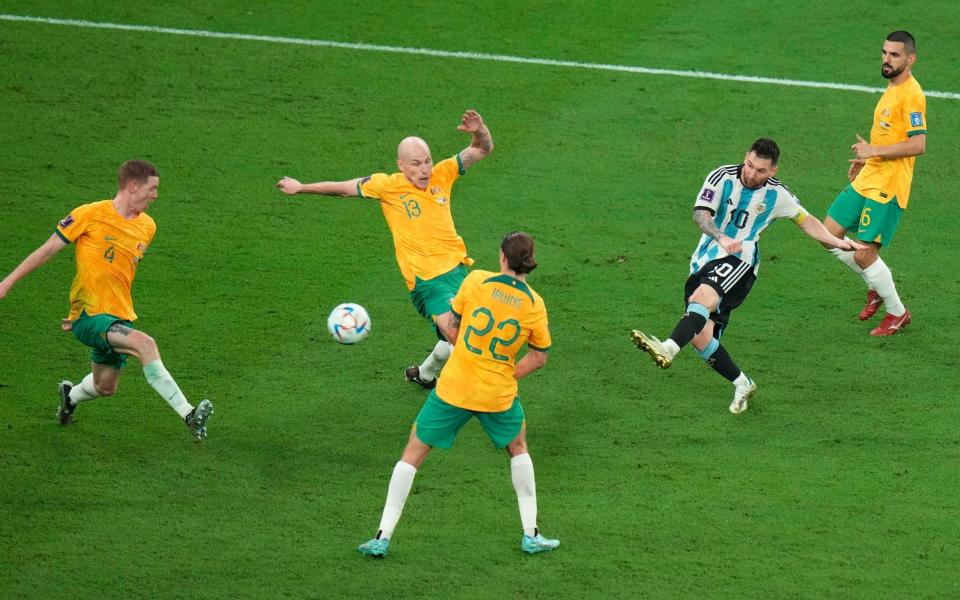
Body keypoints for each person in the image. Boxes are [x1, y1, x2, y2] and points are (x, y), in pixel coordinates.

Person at [356, 232, 559, 558]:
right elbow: (539, 356)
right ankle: (531, 534)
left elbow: (452, 325)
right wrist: (507, 372)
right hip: (497, 393)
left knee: (412, 454)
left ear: (502, 258)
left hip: (455, 385)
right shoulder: (534, 304)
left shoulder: (477, 281)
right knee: (518, 447)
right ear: (529, 262)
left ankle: (382, 536)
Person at [630, 139, 865, 414]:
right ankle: (743, 384)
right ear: (745, 157)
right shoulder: (721, 177)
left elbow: (807, 221)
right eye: (750, 165)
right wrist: (721, 236)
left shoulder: (778, 195)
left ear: (773, 171)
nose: (752, 174)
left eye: (760, 170)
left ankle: (668, 348)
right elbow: (700, 214)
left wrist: (835, 241)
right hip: (705, 258)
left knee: (700, 298)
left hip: (741, 259)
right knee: (700, 336)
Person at [276, 109, 493, 388]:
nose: (425, 169)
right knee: (461, 337)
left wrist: (479, 130)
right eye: (416, 163)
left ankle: (424, 375)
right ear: (401, 165)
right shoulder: (387, 186)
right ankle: (481, 396)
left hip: (460, 272)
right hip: (428, 283)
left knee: (464, 332)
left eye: (427, 161)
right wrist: (301, 187)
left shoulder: (443, 173)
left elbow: (483, 148)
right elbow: (343, 188)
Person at [0, 160, 213, 439]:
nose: (155, 195)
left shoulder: (148, 226)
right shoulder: (89, 214)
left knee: (104, 387)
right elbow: (48, 249)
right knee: (144, 344)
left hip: (119, 315)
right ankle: (189, 414)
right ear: (133, 187)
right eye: (152, 188)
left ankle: (70, 396)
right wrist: (7, 283)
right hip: (89, 314)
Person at [822, 30, 926, 336]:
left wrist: (874, 151)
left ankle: (897, 312)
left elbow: (919, 144)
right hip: (871, 175)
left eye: (894, 55)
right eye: (884, 52)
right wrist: (868, 158)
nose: (887, 59)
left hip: (890, 184)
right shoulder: (891, 88)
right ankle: (876, 282)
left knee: (864, 254)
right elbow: (891, 136)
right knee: (828, 234)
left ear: (910, 59)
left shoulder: (912, 94)